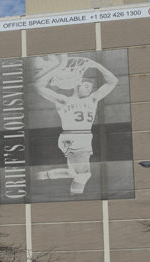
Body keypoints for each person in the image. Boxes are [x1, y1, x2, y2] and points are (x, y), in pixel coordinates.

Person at [32, 54, 118, 194]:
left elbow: (112, 81)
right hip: (73, 138)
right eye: (85, 86)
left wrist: (97, 65)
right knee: (84, 175)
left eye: (90, 87)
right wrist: (56, 68)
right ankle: (76, 198)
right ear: (76, 85)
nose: (89, 89)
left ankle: (41, 176)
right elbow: (38, 86)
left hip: (83, 138)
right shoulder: (63, 100)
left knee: (73, 173)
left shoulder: (93, 99)